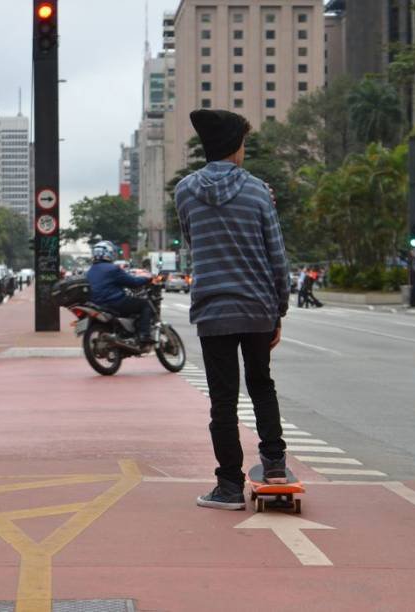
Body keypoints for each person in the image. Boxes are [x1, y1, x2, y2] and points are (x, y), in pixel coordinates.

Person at [176, 109, 290, 511]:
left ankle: (227, 486)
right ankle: (274, 466)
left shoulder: (185, 191)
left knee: (222, 400)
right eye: (242, 144)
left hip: (212, 309)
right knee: (261, 384)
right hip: (257, 305)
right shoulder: (259, 190)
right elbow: (276, 254)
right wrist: (280, 308)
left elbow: (193, 242)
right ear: (235, 148)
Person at [86, 240, 154, 345]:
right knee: (144, 304)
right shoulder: (113, 269)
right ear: (109, 253)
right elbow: (133, 282)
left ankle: (125, 332)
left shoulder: (90, 271)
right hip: (114, 303)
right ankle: (144, 335)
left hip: (96, 304)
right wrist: (146, 278)